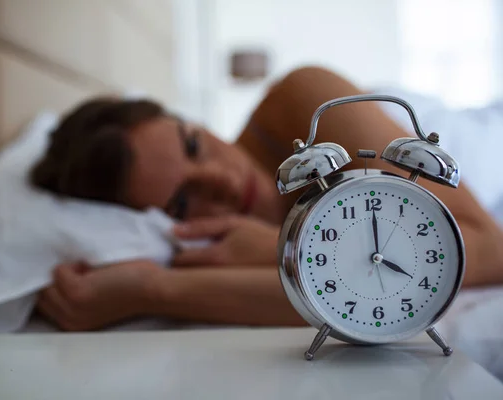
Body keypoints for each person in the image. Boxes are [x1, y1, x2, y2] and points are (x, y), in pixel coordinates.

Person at [30, 67, 503, 331]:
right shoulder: (206, 254)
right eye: (182, 203)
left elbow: (482, 249)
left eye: (194, 145)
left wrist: (155, 291)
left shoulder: (302, 102)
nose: (222, 179)